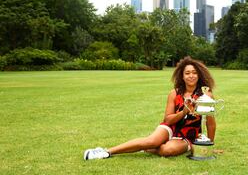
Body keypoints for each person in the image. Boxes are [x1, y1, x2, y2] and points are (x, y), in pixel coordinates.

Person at [84, 56, 216, 160]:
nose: (191, 76)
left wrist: (210, 146)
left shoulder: (206, 95)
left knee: (167, 150)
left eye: (194, 73)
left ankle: (147, 147)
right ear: (182, 76)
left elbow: (211, 124)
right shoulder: (174, 93)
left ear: (199, 75)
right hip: (171, 126)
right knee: (151, 140)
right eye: (187, 73)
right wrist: (184, 112)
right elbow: (168, 120)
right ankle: (106, 152)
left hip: (188, 134)